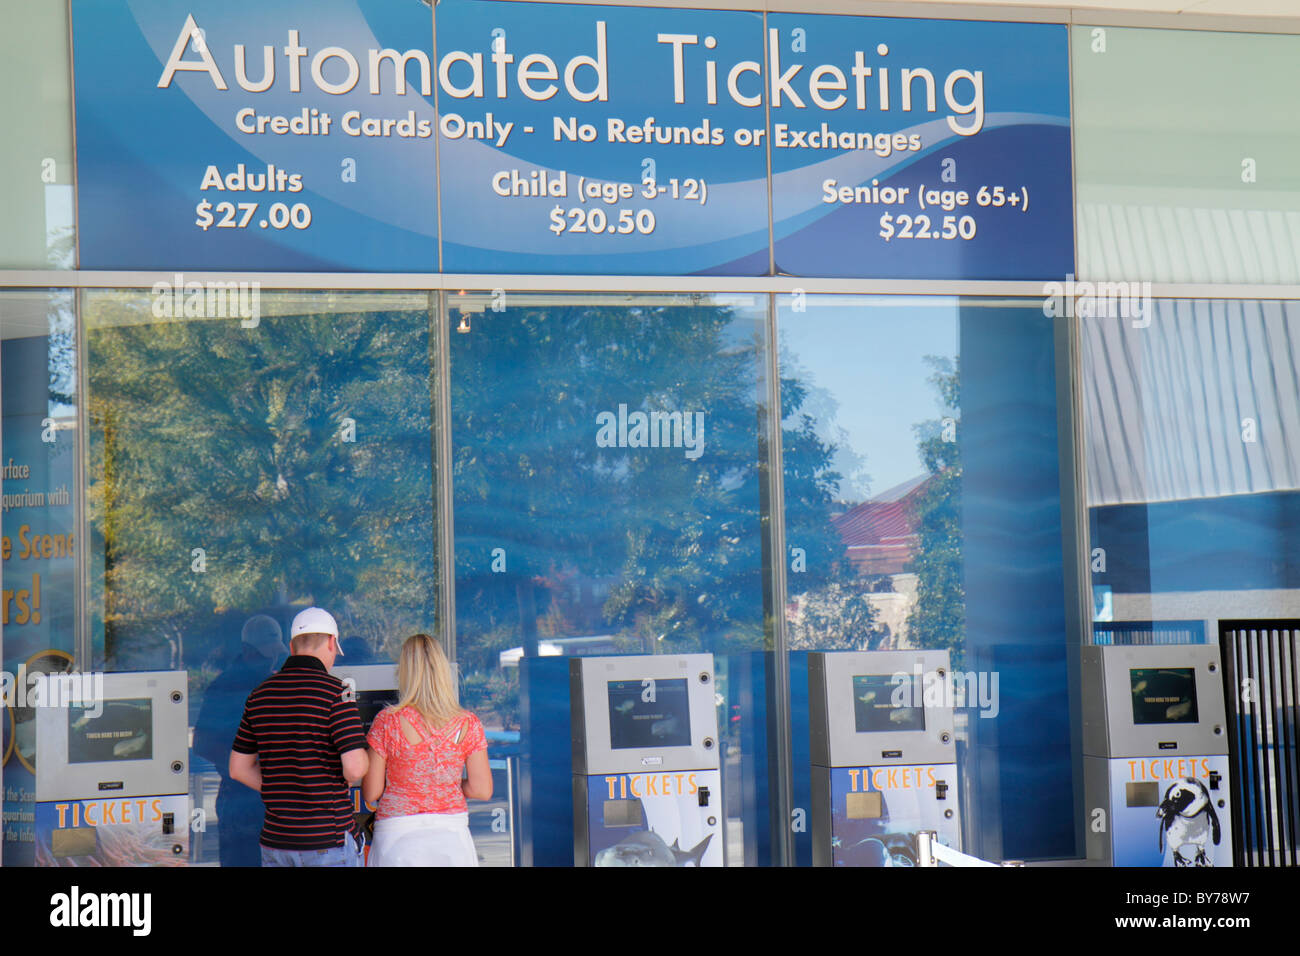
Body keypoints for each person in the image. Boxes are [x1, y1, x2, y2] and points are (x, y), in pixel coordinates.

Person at [229, 606, 369, 866]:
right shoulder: (337, 693)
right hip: (327, 839)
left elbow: (238, 769)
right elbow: (355, 768)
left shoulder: (259, 695)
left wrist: (282, 790)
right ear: (331, 643)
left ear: (292, 648)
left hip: (276, 841)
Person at [363, 633, 491, 866]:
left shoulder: (387, 721)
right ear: (442, 672)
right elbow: (482, 789)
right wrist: (446, 782)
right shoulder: (467, 723)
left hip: (397, 837)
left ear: (405, 672)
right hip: (452, 837)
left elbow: (371, 792)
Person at [193, 613, 288, 866]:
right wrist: (243, 763)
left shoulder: (277, 683)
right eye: (265, 653)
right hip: (238, 800)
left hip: (275, 802)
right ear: (247, 650)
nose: (271, 659)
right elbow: (202, 743)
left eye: (274, 653)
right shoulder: (224, 688)